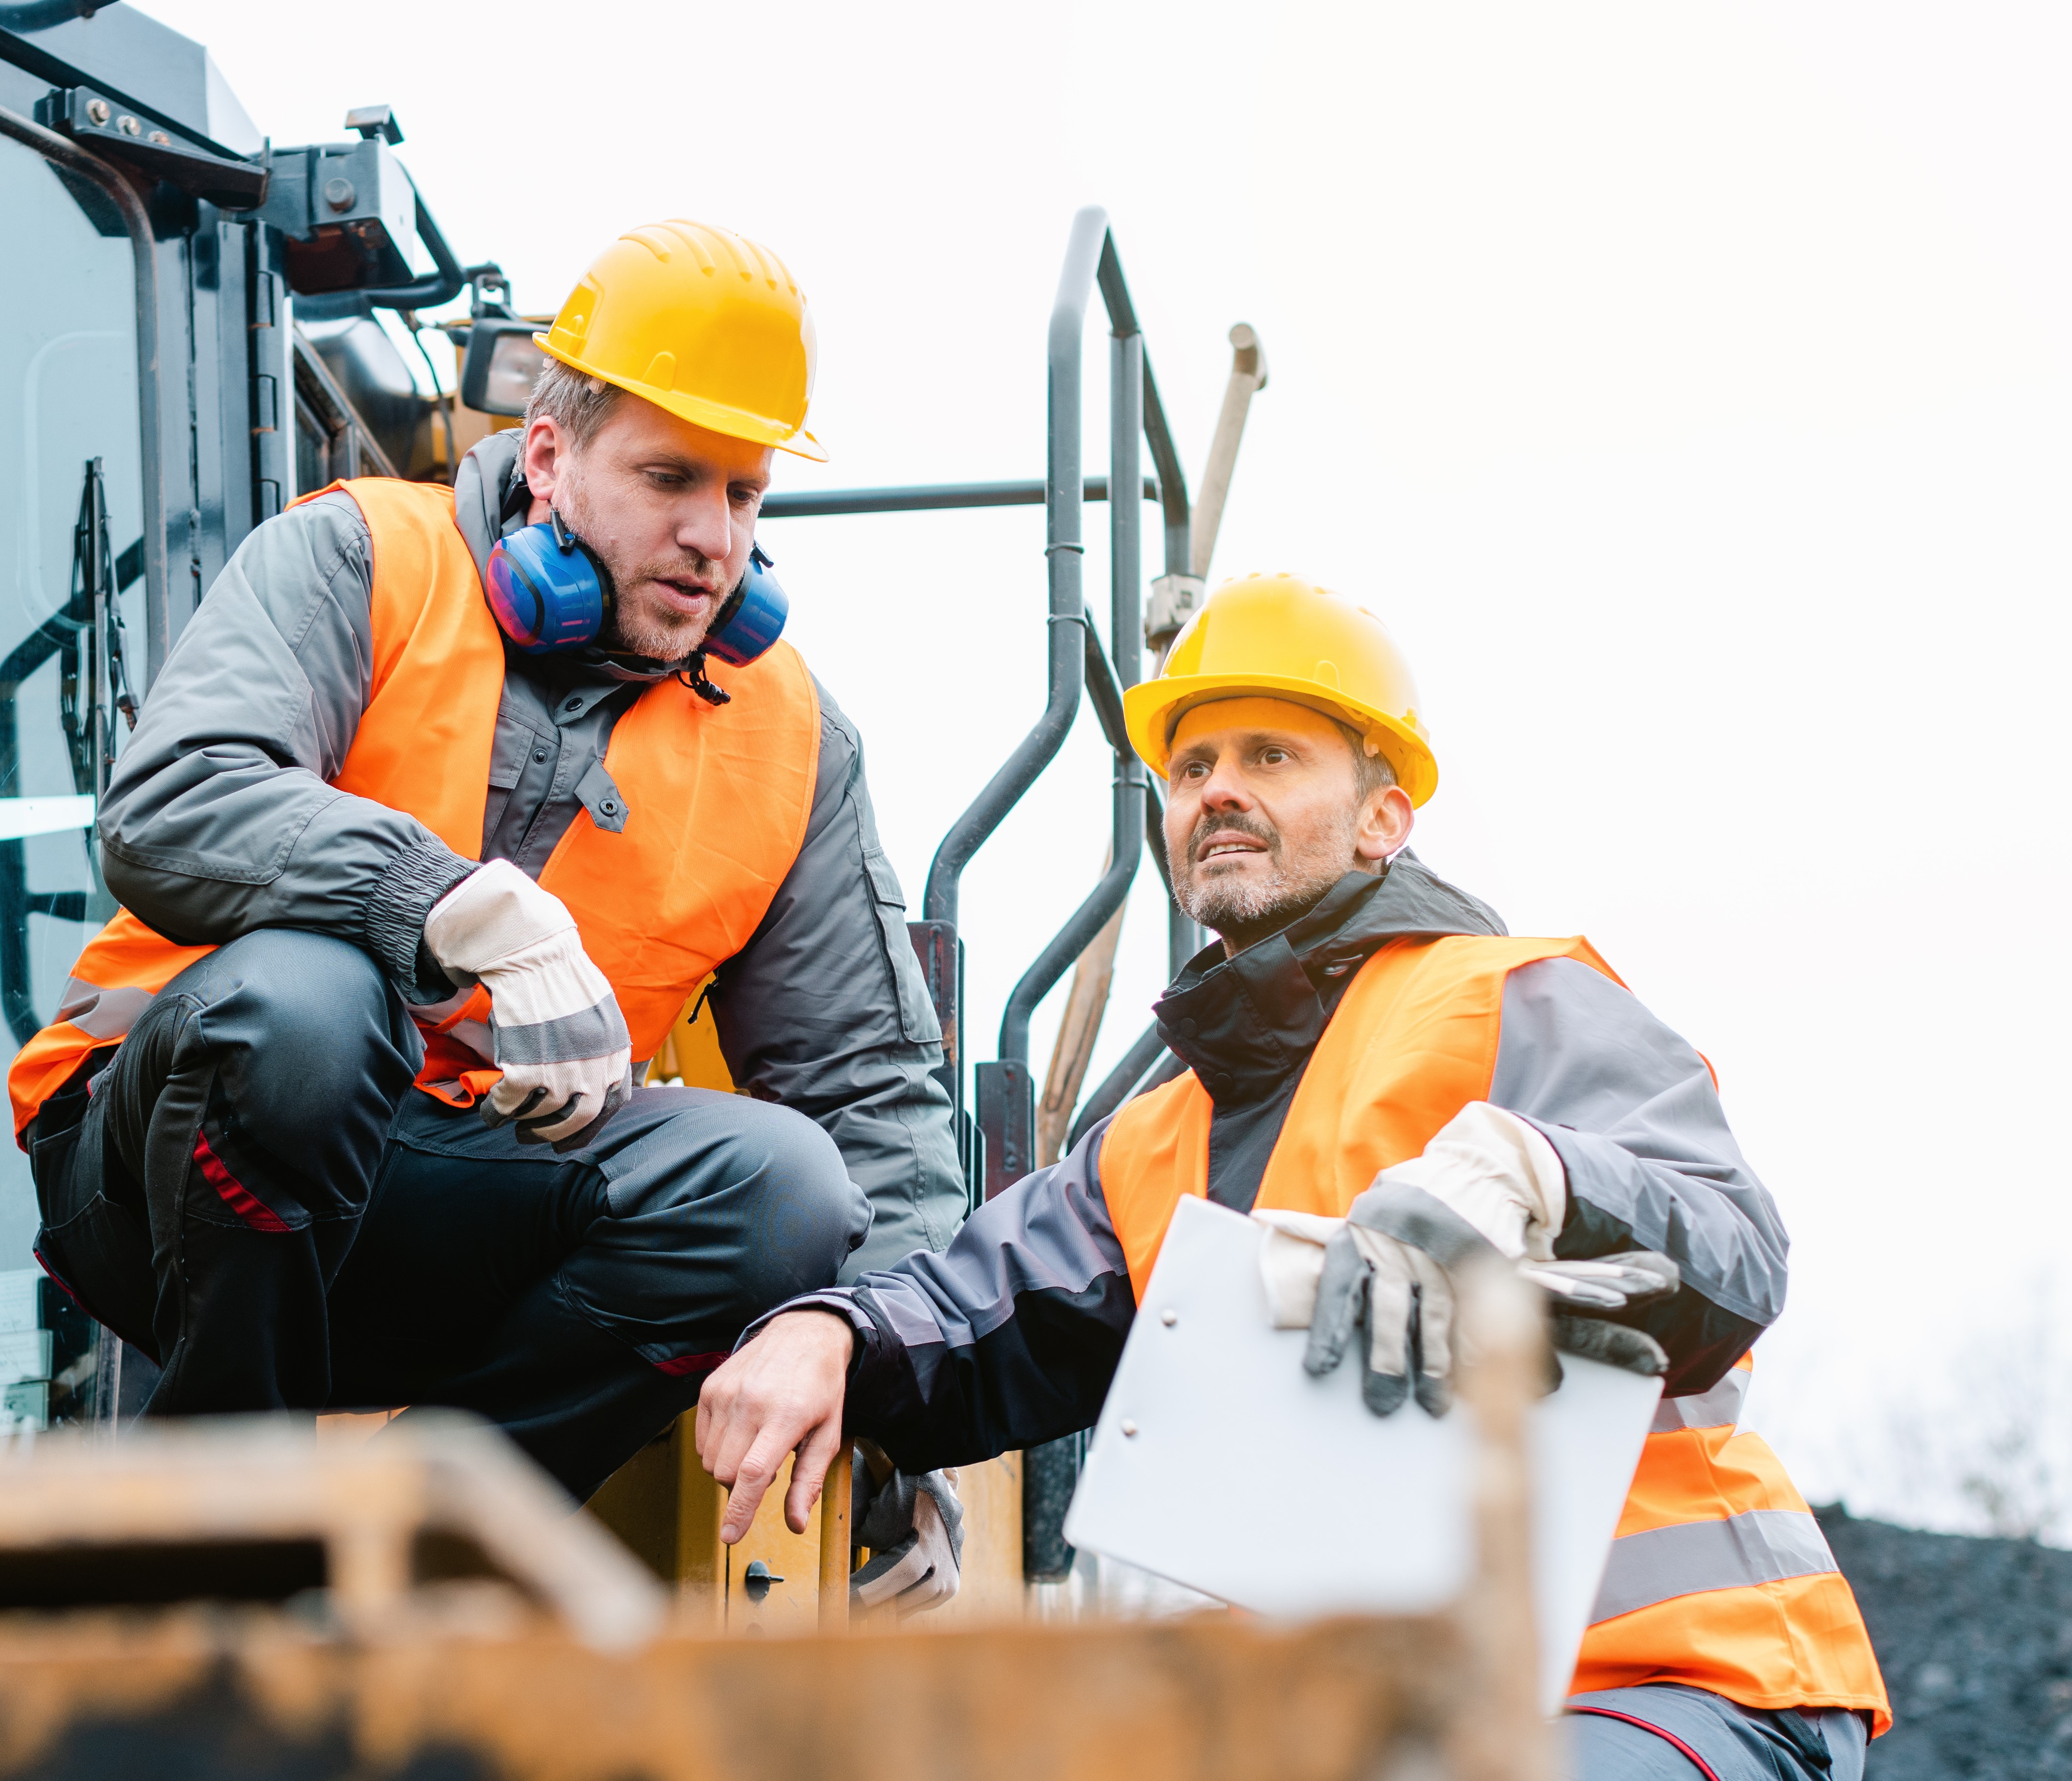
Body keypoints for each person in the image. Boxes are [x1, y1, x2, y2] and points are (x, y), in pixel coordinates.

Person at [695, 574, 1889, 1778]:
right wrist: (834, 1332)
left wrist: (1541, 1174)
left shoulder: (1504, 996)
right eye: (1191, 763)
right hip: (1394, 1724)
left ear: (1382, 817)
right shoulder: (1153, 1144)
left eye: (1270, 754)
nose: (1216, 786)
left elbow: (1734, 1248)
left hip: (1673, 1682)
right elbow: (966, 1310)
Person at [7, 221, 961, 1504]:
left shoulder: (795, 740)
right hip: (171, 1168)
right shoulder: (359, 556)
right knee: (305, 1007)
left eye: (743, 495)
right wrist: (445, 902)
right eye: (671, 477)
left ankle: (411, 1540)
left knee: (788, 1193)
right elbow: (173, 802)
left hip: (468, 1210)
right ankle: (213, 1538)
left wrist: (893, 1393)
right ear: (552, 459)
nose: (714, 538)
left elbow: (874, 1097)